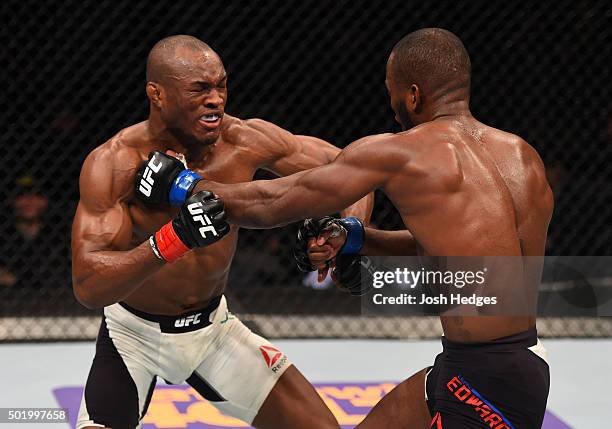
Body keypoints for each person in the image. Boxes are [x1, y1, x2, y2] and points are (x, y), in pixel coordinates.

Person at [147, 28, 554, 428]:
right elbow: (470, 255)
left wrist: (183, 185)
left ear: (413, 95)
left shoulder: (402, 152)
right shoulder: (524, 158)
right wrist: (356, 237)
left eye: (392, 90)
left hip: (485, 389)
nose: (392, 102)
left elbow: (270, 203)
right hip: (504, 366)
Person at [71, 35, 371, 429]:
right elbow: (89, 284)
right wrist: (171, 240)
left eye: (221, 85)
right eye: (199, 89)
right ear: (156, 94)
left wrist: (349, 231)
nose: (215, 99)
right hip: (133, 335)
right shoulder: (116, 163)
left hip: (214, 331)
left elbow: (354, 172)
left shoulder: (245, 141)